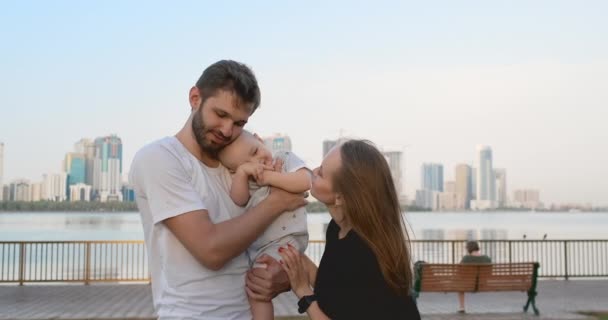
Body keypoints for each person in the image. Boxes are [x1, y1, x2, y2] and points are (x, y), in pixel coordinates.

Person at [129, 60, 307, 320]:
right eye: (221, 114)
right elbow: (211, 250)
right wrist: (277, 202)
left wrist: (282, 275)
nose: (227, 130)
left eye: (239, 123)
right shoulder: (160, 158)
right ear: (194, 98)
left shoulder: (238, 167)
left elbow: (268, 238)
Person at [278, 139, 421, 319]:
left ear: (340, 197)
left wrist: (303, 291)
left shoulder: (364, 253)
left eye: (321, 173)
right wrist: (299, 262)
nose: (313, 171)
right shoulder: (338, 230)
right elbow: (335, 290)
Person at [218, 130, 311, 319]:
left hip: (287, 239)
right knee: (256, 290)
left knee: (258, 289)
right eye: (246, 163)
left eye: (255, 151)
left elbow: (305, 181)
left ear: (259, 139)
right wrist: (243, 174)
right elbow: (239, 200)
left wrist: (270, 178)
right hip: (261, 248)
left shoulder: (283, 158)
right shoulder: (248, 181)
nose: (258, 161)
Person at [458, 240, 492, 313]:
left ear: (469, 249)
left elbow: (460, 272)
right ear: (477, 247)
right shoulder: (487, 258)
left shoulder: (466, 258)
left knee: (460, 285)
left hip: (469, 284)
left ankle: (462, 307)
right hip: (483, 284)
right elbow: (489, 274)